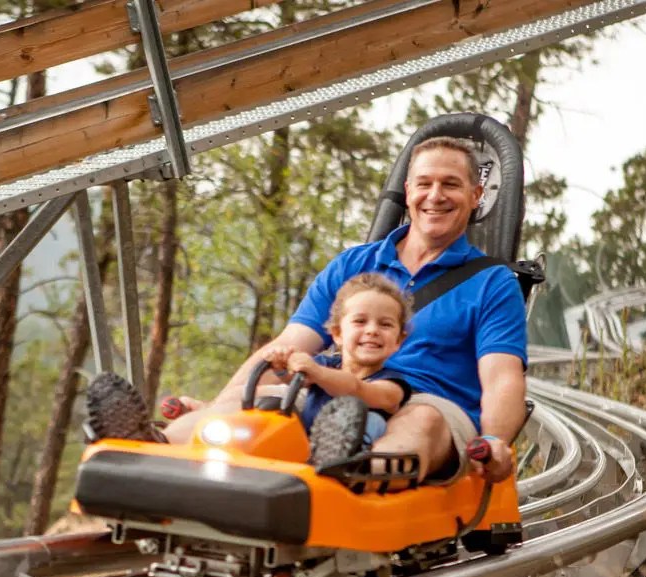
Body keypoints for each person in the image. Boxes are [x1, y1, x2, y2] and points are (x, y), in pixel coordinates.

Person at [163, 136, 528, 485]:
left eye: (450, 184)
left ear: (476, 195)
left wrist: (496, 440)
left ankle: (352, 473)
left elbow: (502, 379)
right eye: (424, 183)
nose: (435, 195)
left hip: (428, 403)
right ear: (408, 191)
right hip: (338, 391)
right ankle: (154, 447)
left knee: (422, 421)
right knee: (260, 404)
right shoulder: (353, 264)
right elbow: (291, 344)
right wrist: (221, 402)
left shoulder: (492, 283)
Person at [261, 272, 411, 456]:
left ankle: (341, 455)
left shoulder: (392, 383)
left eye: (385, 325)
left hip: (351, 463)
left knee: (373, 421)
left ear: (399, 340)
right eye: (360, 321)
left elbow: (358, 389)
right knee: (269, 403)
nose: (372, 330)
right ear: (338, 333)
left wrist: (317, 372)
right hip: (306, 445)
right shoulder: (324, 364)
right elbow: (297, 377)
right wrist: (283, 366)